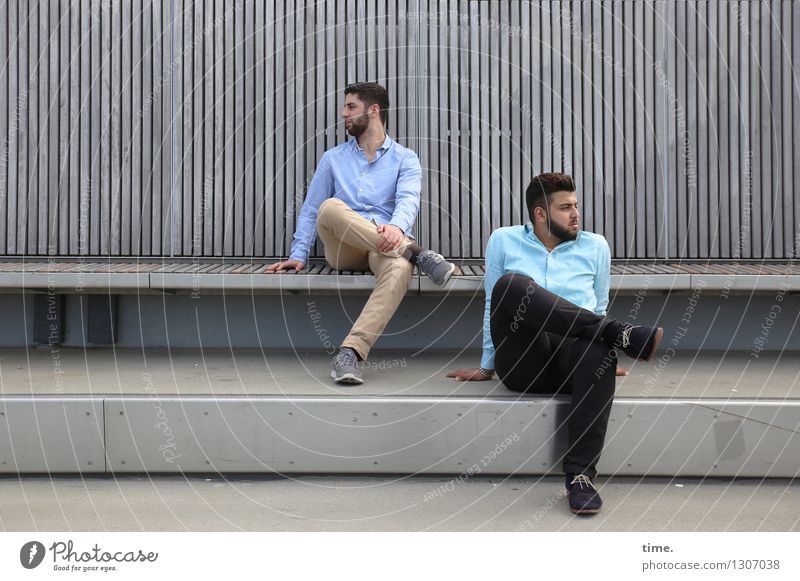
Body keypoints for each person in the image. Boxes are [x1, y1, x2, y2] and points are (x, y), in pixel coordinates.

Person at [447, 172, 663, 515]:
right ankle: (620, 334)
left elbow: (599, 304)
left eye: (576, 205)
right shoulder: (504, 240)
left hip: (572, 357)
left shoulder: (596, 246)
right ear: (540, 214)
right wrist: (488, 364)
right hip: (524, 360)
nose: (576, 213)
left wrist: (604, 357)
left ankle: (580, 478)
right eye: (565, 207)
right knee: (511, 286)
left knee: (598, 346)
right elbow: (493, 302)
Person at [268, 82, 455, 385]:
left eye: (350, 107)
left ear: (373, 110)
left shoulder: (404, 158)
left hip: (383, 247)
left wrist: (395, 227)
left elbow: (408, 200)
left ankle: (351, 353)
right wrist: (297, 254)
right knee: (330, 207)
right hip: (342, 247)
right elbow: (312, 209)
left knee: (398, 268)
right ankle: (417, 252)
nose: (343, 113)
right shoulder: (333, 159)